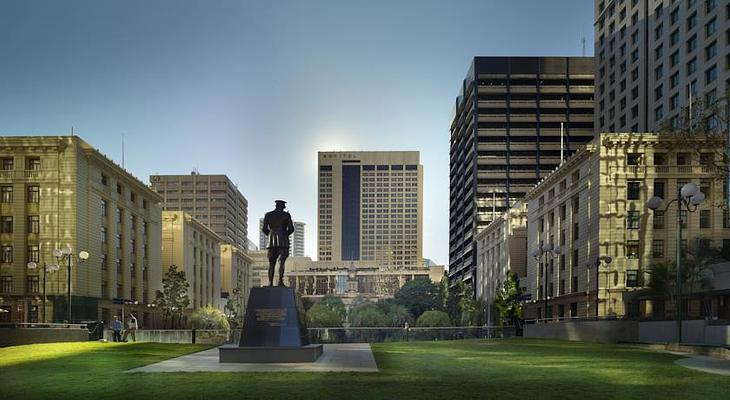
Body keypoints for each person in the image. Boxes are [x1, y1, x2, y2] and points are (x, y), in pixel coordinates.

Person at [262, 200, 295, 286]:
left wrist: (270, 235)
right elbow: (291, 229)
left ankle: (270, 283)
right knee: (282, 262)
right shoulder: (286, 215)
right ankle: (280, 281)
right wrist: (284, 235)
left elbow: (264, 229)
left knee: (271, 263)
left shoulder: (268, 215)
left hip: (271, 240)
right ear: (283, 207)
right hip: (283, 240)